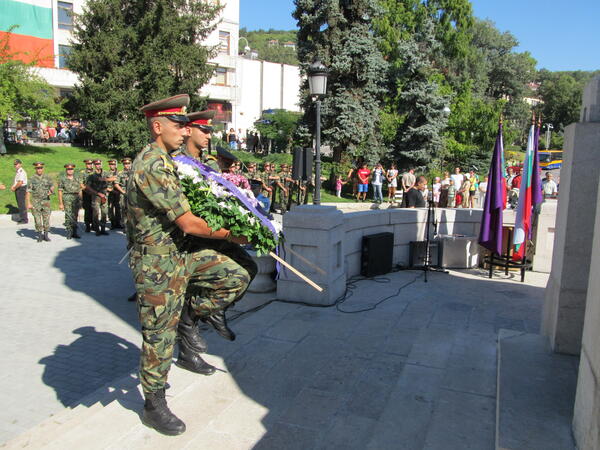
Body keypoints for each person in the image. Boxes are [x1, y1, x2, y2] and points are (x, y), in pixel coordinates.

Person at [128, 95, 256, 435]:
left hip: (183, 253)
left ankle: (190, 316)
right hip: (157, 262)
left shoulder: (169, 160)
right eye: (178, 125)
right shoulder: (152, 165)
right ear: (158, 127)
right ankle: (153, 402)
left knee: (236, 274)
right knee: (158, 334)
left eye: (187, 126)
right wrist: (234, 234)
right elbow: (189, 223)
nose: (185, 133)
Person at [86, 159, 115, 236]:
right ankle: (97, 229)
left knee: (104, 212)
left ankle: (103, 229)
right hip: (96, 196)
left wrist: (105, 179)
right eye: (96, 164)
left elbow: (114, 178)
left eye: (99, 164)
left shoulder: (105, 173)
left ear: (101, 164)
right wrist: (97, 193)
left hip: (104, 196)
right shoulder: (91, 175)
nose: (98, 165)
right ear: (94, 165)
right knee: (96, 213)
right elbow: (88, 187)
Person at [26, 162, 54, 242]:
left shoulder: (47, 177)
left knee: (46, 218)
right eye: (38, 168)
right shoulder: (31, 179)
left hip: (46, 201)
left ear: (43, 168)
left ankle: (46, 235)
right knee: (37, 219)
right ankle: (39, 235)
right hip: (36, 201)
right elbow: (28, 191)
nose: (39, 169)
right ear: (35, 169)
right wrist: (28, 203)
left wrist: (51, 190)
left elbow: (52, 186)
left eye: (41, 168)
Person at [58, 163, 83, 239]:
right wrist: (61, 203)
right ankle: (69, 232)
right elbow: (60, 191)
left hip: (76, 198)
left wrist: (81, 200)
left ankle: (74, 232)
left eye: (71, 169)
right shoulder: (62, 179)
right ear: (66, 170)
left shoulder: (77, 178)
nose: (70, 171)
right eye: (68, 169)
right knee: (68, 215)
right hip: (67, 197)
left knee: (75, 215)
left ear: (73, 170)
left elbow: (80, 190)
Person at [114, 158, 132, 230]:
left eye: (128, 163)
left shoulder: (134, 172)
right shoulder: (120, 173)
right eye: (125, 164)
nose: (127, 165)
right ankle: (125, 226)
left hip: (133, 193)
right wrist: (123, 192)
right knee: (124, 209)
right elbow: (116, 184)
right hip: (124, 193)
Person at [80, 159, 95, 232]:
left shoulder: (95, 172)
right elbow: (81, 184)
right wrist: (87, 191)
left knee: (95, 209)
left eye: (91, 164)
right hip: (86, 194)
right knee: (87, 209)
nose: (90, 165)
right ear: (86, 165)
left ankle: (94, 224)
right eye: (88, 164)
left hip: (95, 194)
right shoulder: (83, 173)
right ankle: (87, 225)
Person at [11, 159, 28, 223]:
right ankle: (22, 218)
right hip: (19, 188)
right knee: (20, 204)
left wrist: (14, 188)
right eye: (15, 164)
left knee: (21, 204)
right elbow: (17, 181)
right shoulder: (18, 171)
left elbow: (20, 182)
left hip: (21, 189)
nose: (15, 165)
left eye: (17, 164)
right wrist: (14, 186)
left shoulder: (21, 172)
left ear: (20, 164)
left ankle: (24, 219)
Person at [107, 159, 122, 229]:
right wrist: (110, 190)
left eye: (113, 164)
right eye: (111, 164)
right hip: (109, 193)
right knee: (110, 208)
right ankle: (112, 223)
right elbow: (103, 184)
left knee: (118, 208)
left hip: (118, 193)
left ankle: (118, 222)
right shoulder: (106, 173)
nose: (112, 166)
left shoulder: (119, 173)